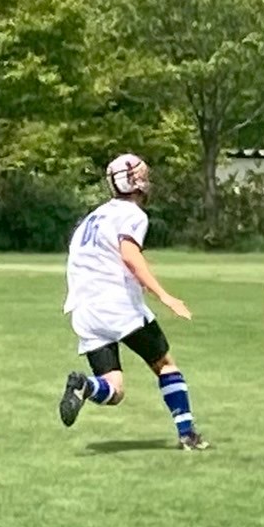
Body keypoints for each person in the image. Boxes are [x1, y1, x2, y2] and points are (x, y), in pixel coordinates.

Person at [58, 154, 209, 450]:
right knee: (165, 365)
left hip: (84, 309)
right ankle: (188, 434)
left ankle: (85, 386)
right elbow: (130, 256)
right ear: (135, 182)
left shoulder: (93, 216)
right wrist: (164, 296)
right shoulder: (133, 215)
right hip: (117, 305)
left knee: (114, 390)